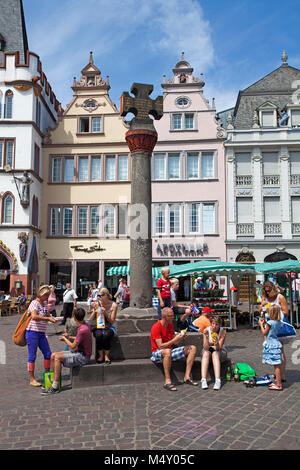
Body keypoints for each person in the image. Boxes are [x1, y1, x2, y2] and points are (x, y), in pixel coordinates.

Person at [42, 308, 92, 395]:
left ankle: (55, 387)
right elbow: (78, 339)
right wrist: (69, 337)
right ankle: (55, 382)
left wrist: (65, 339)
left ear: (74, 318)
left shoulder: (82, 329)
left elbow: (72, 346)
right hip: (79, 352)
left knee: (57, 357)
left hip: (83, 356)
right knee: (53, 355)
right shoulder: (84, 325)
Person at [150, 307, 198, 391]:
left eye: (173, 315)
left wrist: (180, 338)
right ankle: (167, 381)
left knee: (192, 348)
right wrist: (174, 339)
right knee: (167, 351)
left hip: (168, 351)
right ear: (165, 317)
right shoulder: (156, 327)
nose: (173, 317)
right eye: (171, 316)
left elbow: (175, 343)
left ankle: (187, 377)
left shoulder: (170, 325)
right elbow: (160, 346)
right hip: (157, 353)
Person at [25, 285, 56, 387]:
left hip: (41, 333)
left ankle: (46, 375)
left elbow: (45, 315)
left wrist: (50, 317)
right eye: (46, 295)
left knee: (48, 354)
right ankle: (32, 378)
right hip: (32, 332)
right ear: (41, 294)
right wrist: (47, 319)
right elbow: (34, 316)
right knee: (32, 355)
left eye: (48, 295)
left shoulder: (45, 303)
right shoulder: (35, 303)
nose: (48, 297)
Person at [260, 281, 288, 382]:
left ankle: (282, 375)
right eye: (265, 291)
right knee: (273, 352)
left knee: (280, 351)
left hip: (277, 326)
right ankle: (278, 374)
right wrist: (262, 305)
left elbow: (286, 312)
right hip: (268, 326)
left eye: (268, 291)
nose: (267, 293)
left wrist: (273, 310)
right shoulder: (265, 297)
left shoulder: (280, 297)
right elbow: (261, 310)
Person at [88, 288, 118, 364]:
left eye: (100, 295)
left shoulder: (114, 305)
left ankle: (106, 356)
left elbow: (112, 321)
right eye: (98, 296)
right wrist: (94, 310)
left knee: (107, 335)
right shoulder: (97, 303)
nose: (98, 297)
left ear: (106, 295)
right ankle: (101, 355)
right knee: (98, 335)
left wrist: (105, 313)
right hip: (98, 326)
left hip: (109, 326)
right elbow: (90, 320)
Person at [259, 305, 283, 391]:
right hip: (276, 343)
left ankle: (279, 384)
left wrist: (261, 325)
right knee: (277, 365)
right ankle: (277, 381)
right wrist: (266, 323)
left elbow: (264, 332)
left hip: (271, 344)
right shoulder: (278, 322)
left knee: (276, 366)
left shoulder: (270, 323)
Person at [201, 317, 227, 390]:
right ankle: (203, 379)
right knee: (206, 353)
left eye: (217, 324)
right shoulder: (206, 330)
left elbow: (219, 347)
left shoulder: (223, 332)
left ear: (220, 325)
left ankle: (218, 380)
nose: (214, 326)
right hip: (208, 350)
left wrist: (216, 343)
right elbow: (205, 347)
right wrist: (206, 337)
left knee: (215, 353)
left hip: (219, 350)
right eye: (213, 324)